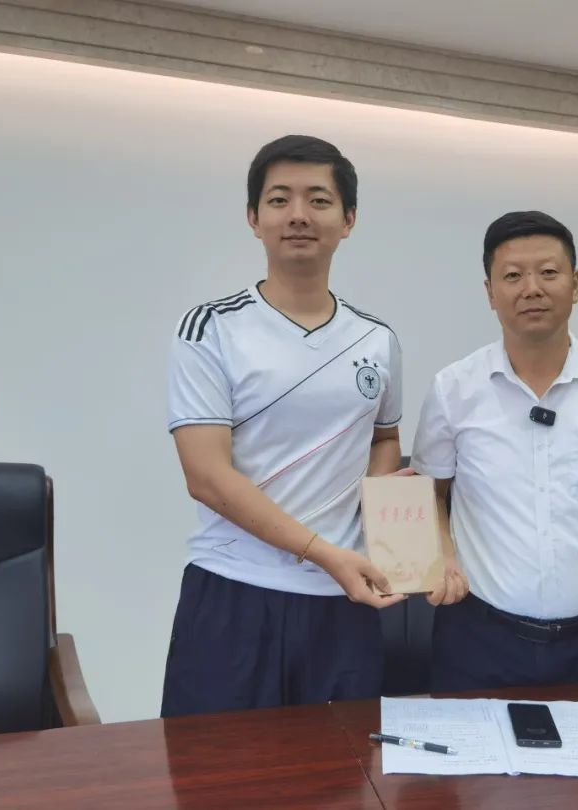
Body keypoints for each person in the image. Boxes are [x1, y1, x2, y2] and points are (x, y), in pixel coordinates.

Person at [161, 135, 408, 715]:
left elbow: (385, 437)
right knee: (214, 767)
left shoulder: (377, 339)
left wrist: (381, 522)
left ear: (348, 220)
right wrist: (324, 552)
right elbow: (205, 476)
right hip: (234, 594)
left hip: (344, 601)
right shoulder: (210, 328)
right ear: (254, 218)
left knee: (345, 766)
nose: (299, 215)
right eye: (279, 199)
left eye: (319, 200)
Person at [411, 210, 578, 691]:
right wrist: (441, 557)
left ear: (575, 284)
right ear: (490, 293)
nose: (531, 288)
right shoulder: (454, 388)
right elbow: (430, 493)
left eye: (549, 272)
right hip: (477, 638)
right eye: (513, 276)